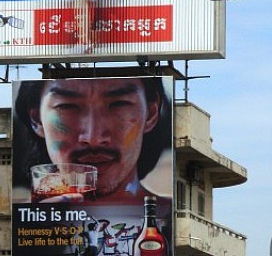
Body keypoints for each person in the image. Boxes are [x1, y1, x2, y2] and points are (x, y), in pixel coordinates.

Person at [14, 77, 172, 204]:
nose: (93, 138)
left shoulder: (169, 223)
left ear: (151, 114)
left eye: (119, 104)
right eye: (67, 107)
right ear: (37, 119)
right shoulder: (20, 228)